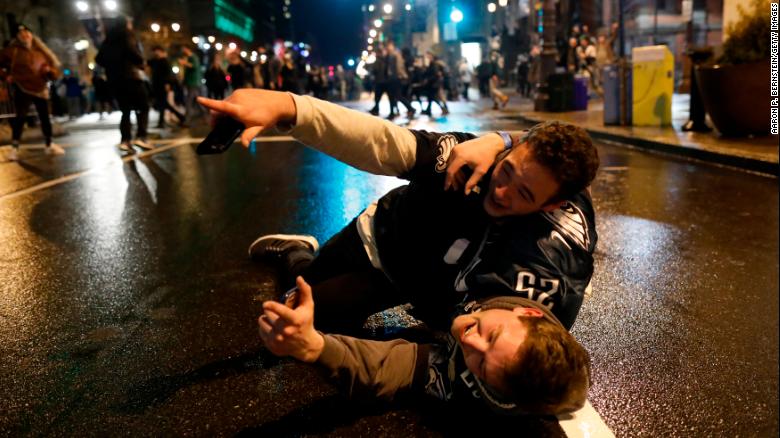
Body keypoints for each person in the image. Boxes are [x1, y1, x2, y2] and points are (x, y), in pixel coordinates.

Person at [197, 88, 599, 415]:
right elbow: (388, 144)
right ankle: (296, 253)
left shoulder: (496, 371)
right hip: (388, 243)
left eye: (524, 193)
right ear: (527, 313)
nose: (502, 190)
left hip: (427, 288)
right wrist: (290, 107)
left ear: (550, 203)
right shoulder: (552, 230)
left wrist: (312, 348)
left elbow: (398, 369)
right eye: (508, 170)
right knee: (298, 294)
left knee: (307, 323)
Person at [0, 23, 65, 160]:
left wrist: (49, 72)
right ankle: (14, 148)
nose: (25, 35)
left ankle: (49, 144)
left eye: (27, 32)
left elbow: (54, 71)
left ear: (31, 34)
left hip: (40, 87)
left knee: (45, 117)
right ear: (17, 37)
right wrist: (6, 76)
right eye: (21, 33)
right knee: (20, 118)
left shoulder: (41, 51)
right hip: (22, 87)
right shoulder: (12, 51)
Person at [95, 15, 153, 152]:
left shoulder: (108, 39)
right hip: (130, 77)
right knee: (143, 106)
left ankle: (125, 140)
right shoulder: (126, 34)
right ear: (126, 23)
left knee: (125, 110)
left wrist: (112, 66)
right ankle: (141, 136)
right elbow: (131, 50)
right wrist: (141, 62)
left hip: (115, 80)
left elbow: (98, 59)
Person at [147, 46, 185, 128]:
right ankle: (163, 122)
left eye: (156, 51)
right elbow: (147, 63)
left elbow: (168, 75)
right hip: (157, 85)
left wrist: (167, 84)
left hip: (162, 86)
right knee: (163, 104)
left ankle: (179, 117)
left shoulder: (164, 61)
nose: (155, 53)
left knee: (163, 104)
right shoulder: (156, 61)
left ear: (161, 51)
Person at [179, 45, 204, 125]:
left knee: (190, 101)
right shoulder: (190, 58)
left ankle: (187, 120)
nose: (183, 51)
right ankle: (204, 117)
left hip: (193, 83)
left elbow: (194, 66)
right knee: (196, 101)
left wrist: (184, 63)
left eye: (184, 49)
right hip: (191, 83)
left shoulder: (193, 57)